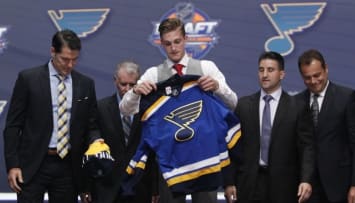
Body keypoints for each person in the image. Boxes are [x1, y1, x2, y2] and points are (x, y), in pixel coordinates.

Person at [120, 17, 237, 203]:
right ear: (161, 44)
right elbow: (125, 109)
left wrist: (217, 87)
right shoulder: (153, 74)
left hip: (204, 158)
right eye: (168, 44)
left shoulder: (206, 68)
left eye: (177, 42)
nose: (173, 48)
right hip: (170, 161)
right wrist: (135, 91)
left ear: (185, 39)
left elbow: (233, 102)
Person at [3, 29, 102, 203]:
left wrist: (96, 141)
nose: (70, 65)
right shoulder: (29, 79)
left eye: (75, 60)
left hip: (68, 166)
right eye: (65, 59)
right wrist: (13, 165)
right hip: (33, 164)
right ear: (52, 52)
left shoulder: (86, 84)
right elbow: (12, 125)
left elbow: (91, 125)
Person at [224, 51, 314, 203]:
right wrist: (229, 182)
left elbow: (307, 148)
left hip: (285, 187)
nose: (265, 74)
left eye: (270, 70)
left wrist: (306, 179)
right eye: (261, 70)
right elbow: (232, 148)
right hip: (248, 185)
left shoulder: (297, 107)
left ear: (281, 74)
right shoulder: (244, 105)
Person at [88, 61, 159, 203]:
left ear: (139, 82)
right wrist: (87, 188)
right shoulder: (101, 108)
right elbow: (91, 140)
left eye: (132, 85)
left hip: (140, 185)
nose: (127, 89)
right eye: (123, 84)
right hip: (107, 186)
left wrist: (155, 188)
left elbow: (153, 153)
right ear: (115, 80)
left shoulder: (149, 109)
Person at [295, 49, 355, 203]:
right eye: (307, 78)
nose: (313, 81)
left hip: (340, 186)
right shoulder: (296, 102)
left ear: (326, 69)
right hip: (308, 188)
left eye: (317, 75)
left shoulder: (346, 97)